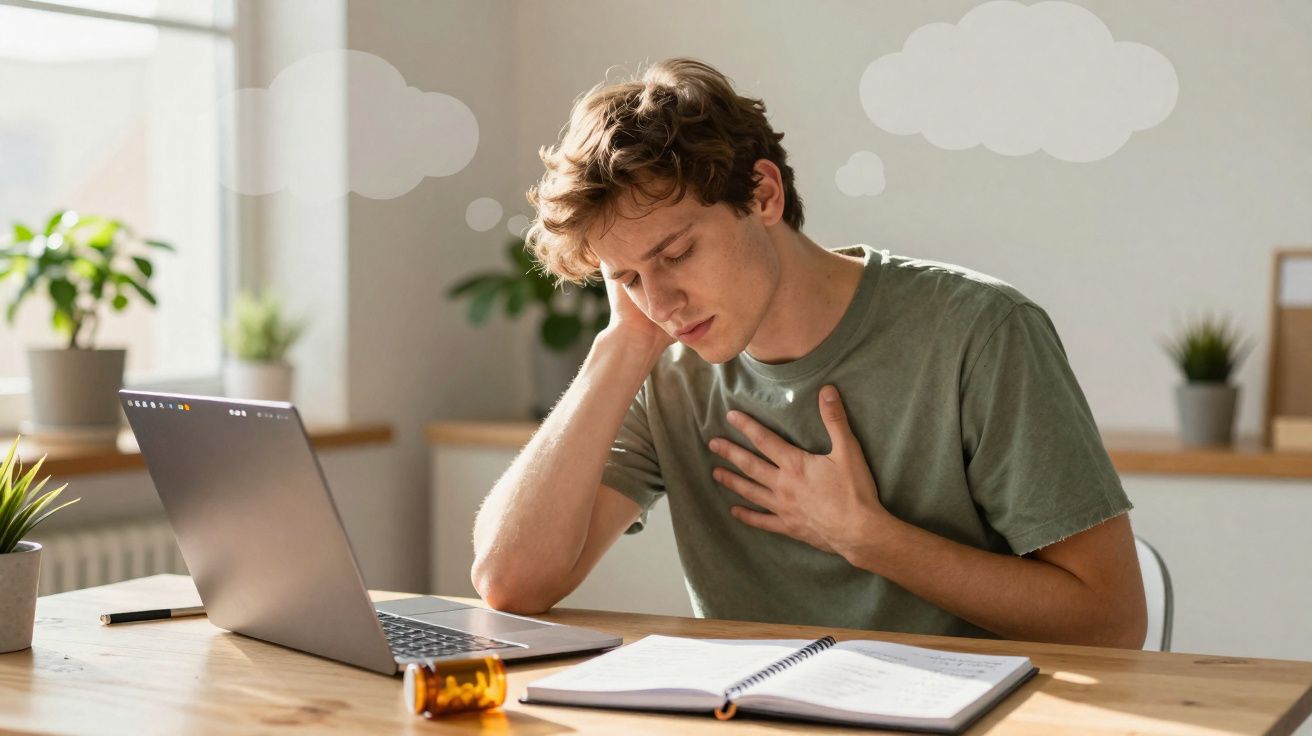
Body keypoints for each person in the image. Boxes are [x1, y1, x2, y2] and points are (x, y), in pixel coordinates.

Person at [471, 58, 1147, 648]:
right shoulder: (665, 363)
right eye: (628, 278)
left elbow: (1112, 621)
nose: (663, 302)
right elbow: (509, 581)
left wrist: (869, 538)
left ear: (764, 194)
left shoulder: (981, 331)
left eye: (676, 254)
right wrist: (621, 344)